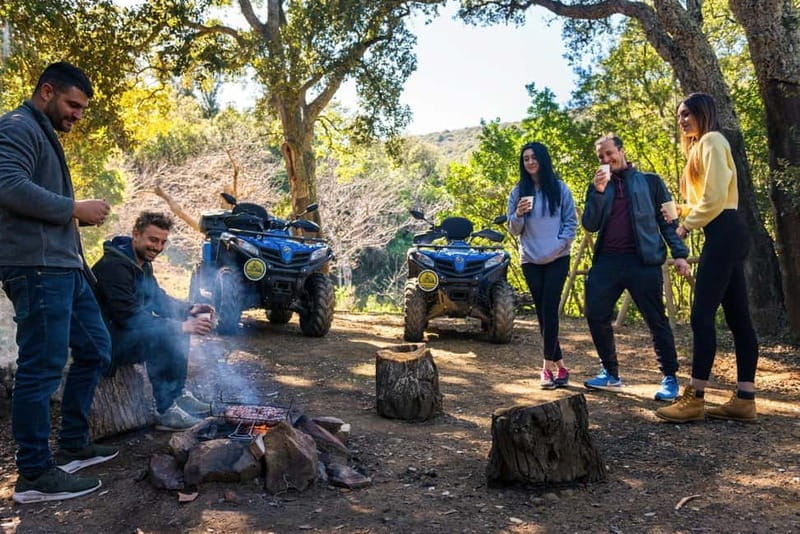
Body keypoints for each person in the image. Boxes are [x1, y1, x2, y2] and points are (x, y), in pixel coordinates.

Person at [0, 62, 118, 504]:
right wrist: (74, 208)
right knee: (42, 367)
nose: (77, 115)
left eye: (82, 109)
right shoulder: (16, 126)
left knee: (96, 348)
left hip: (65, 269)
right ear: (46, 92)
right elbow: (7, 185)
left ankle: (73, 444)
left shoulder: (41, 132)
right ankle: (33, 474)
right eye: (72, 105)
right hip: (36, 268)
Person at [655, 93, 759, 423]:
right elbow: (710, 198)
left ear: (703, 113)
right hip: (725, 232)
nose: (683, 120)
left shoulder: (713, 140)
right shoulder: (703, 146)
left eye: (688, 113)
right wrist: (681, 210)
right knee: (738, 318)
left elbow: (715, 198)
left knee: (701, 316)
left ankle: (695, 398)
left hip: (725, 232)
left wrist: (685, 226)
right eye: (679, 116)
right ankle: (745, 399)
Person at [582, 134, 690, 400]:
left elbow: (668, 221)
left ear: (621, 151)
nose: (606, 160)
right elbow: (590, 224)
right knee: (595, 313)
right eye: (601, 157)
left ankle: (670, 379)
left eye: (609, 153)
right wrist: (597, 192)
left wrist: (679, 254)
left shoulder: (651, 182)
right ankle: (610, 373)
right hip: (607, 261)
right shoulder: (597, 186)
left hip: (643, 260)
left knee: (656, 320)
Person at [92, 211, 214, 431]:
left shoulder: (140, 263)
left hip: (122, 334)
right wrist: (180, 326)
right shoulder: (114, 267)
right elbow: (128, 316)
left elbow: (157, 298)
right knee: (168, 334)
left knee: (179, 325)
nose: (158, 247)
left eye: (162, 242)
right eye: (153, 240)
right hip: (104, 343)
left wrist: (190, 309)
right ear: (135, 234)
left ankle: (176, 394)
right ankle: (166, 410)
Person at [507, 142, 577, 389]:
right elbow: (513, 230)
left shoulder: (559, 189)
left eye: (534, 157)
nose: (530, 162)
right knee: (542, 313)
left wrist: (561, 244)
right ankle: (561, 367)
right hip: (531, 260)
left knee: (549, 309)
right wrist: (518, 214)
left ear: (543, 160)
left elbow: (571, 222)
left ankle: (546, 369)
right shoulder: (518, 192)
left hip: (558, 257)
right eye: (525, 158)